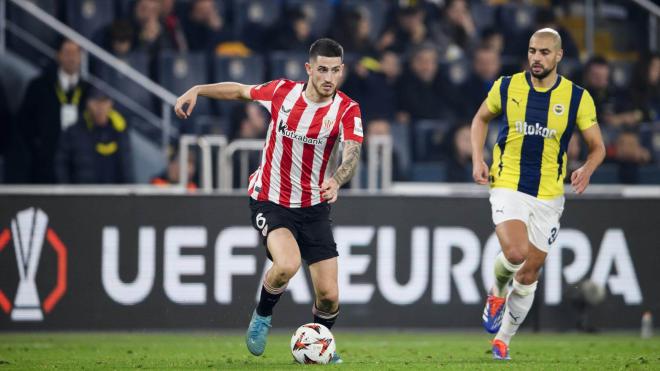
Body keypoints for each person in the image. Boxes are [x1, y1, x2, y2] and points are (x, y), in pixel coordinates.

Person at [173, 38, 362, 364]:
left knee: (329, 296)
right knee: (287, 264)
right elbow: (239, 91)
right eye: (322, 70)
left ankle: (319, 346)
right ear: (309, 69)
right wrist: (199, 89)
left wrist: (337, 179)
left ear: (341, 70)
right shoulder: (282, 93)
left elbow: (352, 152)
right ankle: (262, 314)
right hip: (271, 200)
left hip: (315, 207)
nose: (328, 77)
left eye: (334, 70)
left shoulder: (346, 109)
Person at [470, 28, 605, 360]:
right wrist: (477, 158)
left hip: (549, 194)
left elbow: (598, 147)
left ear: (558, 56)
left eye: (544, 52)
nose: (536, 58)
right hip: (508, 183)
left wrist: (587, 168)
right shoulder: (507, 85)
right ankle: (497, 293)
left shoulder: (577, 97)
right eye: (532, 51)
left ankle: (503, 340)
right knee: (515, 254)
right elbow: (480, 119)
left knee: (529, 272)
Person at [19, 38, 90, 183]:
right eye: (67, 52)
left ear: (81, 57)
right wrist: (38, 147)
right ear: (58, 55)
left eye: (75, 53)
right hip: (45, 164)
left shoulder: (90, 91)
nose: (71, 57)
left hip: (81, 165)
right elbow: (24, 122)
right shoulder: (39, 86)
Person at [55, 88, 133, 184]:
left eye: (104, 102)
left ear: (110, 104)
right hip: (83, 194)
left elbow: (126, 167)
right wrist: (68, 192)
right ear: (87, 104)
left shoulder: (119, 130)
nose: (100, 107)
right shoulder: (73, 132)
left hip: (113, 194)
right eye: (95, 102)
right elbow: (62, 164)